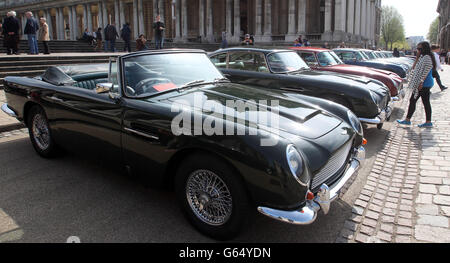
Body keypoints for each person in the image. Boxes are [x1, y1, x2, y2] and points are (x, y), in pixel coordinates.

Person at [397, 41, 436, 128]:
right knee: (418, 101)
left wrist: (421, 82)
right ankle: (410, 120)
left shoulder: (427, 58)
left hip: (424, 84)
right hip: (422, 83)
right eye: (417, 48)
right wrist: (417, 58)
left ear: (424, 49)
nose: (417, 50)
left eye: (419, 49)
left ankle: (423, 121)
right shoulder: (422, 57)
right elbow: (414, 68)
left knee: (419, 101)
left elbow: (426, 71)